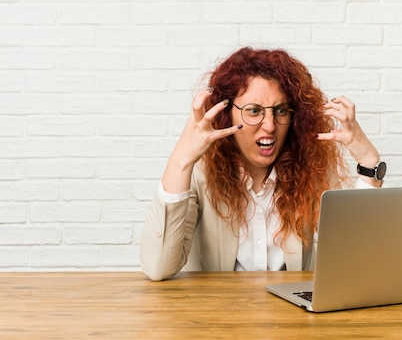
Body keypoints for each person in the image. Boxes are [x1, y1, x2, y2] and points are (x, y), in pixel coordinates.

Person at [140, 47, 385, 281]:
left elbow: (355, 257)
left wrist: (368, 163)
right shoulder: (199, 172)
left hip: (294, 319)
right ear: (227, 114)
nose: (269, 125)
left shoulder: (312, 166)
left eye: (280, 110)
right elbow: (159, 268)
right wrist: (181, 159)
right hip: (217, 316)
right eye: (254, 110)